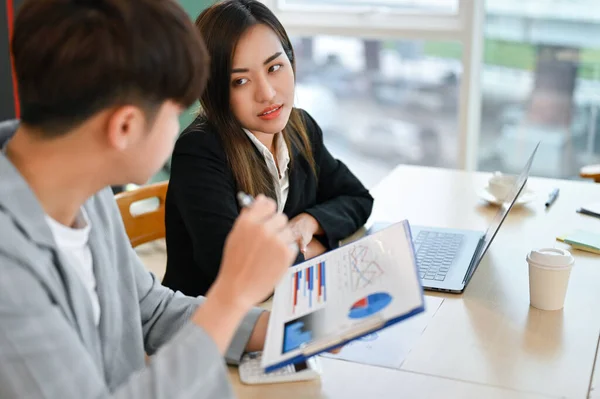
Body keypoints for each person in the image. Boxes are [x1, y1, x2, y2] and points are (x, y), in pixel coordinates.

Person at [0, 0, 298, 398]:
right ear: (125, 126)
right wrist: (233, 293)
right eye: (175, 112)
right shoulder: (8, 266)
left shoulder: (83, 183)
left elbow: (148, 309)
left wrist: (286, 327)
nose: (179, 126)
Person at [163, 0, 374, 297]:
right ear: (214, 89)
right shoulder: (199, 150)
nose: (267, 93)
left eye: (274, 67)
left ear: (291, 61)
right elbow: (234, 269)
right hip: (217, 328)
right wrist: (310, 254)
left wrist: (307, 223)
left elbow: (357, 198)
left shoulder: (300, 127)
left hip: (286, 306)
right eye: (240, 81)